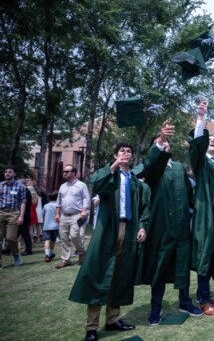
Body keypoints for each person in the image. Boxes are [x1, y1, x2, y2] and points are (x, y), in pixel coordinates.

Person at [68, 142, 149, 341]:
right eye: (122, 151)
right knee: (99, 274)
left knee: (120, 275)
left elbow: (143, 207)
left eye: (129, 151)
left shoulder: (136, 182)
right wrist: (112, 166)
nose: (126, 153)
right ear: (115, 155)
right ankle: (91, 327)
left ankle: (112, 320)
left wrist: (142, 226)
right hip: (108, 231)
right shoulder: (109, 176)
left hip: (128, 230)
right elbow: (98, 184)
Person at [140, 117, 206, 325]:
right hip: (162, 227)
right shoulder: (151, 169)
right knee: (160, 266)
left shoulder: (178, 167)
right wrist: (160, 139)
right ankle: (155, 307)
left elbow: (191, 192)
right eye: (160, 143)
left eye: (166, 142)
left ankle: (185, 301)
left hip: (181, 227)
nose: (165, 144)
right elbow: (152, 163)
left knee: (182, 265)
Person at [190, 100, 214, 317]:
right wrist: (201, 118)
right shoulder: (201, 163)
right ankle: (203, 300)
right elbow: (196, 144)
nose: (213, 141)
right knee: (205, 254)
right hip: (206, 213)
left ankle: (205, 292)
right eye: (210, 139)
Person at [54, 165, 90, 268]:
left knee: (74, 235)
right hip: (64, 216)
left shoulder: (81, 185)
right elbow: (58, 201)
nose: (64, 173)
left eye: (67, 171)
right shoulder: (62, 186)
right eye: (64, 171)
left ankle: (82, 252)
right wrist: (57, 214)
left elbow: (86, 199)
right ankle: (66, 260)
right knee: (64, 238)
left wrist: (84, 211)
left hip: (77, 215)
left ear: (73, 173)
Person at [0, 166, 26, 268]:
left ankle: (16, 256)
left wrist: (21, 216)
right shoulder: (0, 185)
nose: (7, 174)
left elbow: (23, 202)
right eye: (6, 172)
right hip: (1, 212)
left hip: (14, 213)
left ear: (14, 174)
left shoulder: (20, 186)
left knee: (10, 238)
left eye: (10, 172)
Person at [42, 192, 59, 262]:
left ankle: (47, 255)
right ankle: (51, 253)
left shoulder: (46, 206)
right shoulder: (58, 206)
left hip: (46, 226)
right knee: (53, 240)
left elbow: (43, 215)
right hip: (55, 226)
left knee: (46, 240)